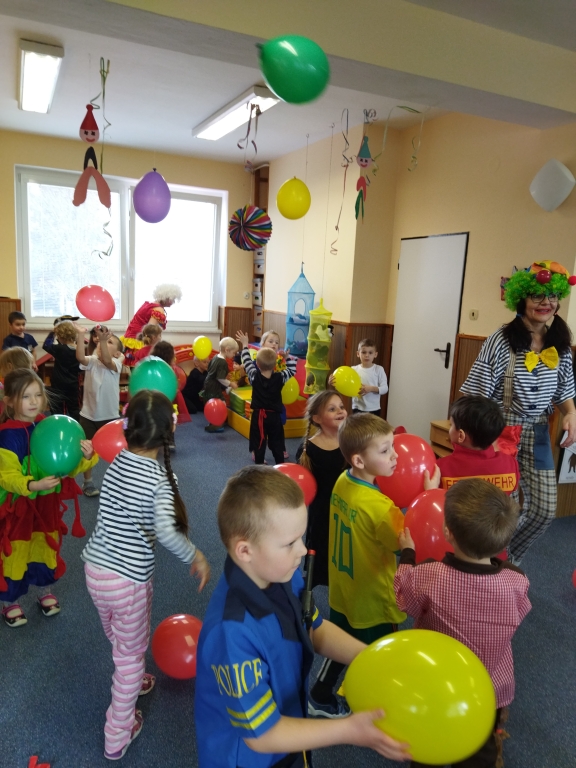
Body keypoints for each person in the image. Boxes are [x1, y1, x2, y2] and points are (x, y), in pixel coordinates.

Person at [194, 465, 410, 768]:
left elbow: (315, 628)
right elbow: (263, 735)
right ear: (245, 551)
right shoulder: (231, 633)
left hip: (292, 727)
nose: (303, 550)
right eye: (289, 543)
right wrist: (348, 730)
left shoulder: (283, 573)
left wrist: (371, 657)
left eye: (301, 538)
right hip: (252, 759)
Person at [82, 390, 210, 761]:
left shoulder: (117, 460)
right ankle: (117, 733)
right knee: (129, 656)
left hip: (95, 571)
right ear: (170, 432)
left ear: (127, 427)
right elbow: (168, 532)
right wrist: (196, 555)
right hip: (128, 581)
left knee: (120, 639)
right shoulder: (160, 480)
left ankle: (134, 676)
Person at [394, 479, 532, 768]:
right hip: (488, 688)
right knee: (479, 748)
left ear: (448, 533)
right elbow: (518, 616)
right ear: (503, 541)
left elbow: (404, 598)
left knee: (428, 745)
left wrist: (407, 554)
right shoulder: (517, 582)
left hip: (436, 686)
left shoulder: (427, 576)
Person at [461, 260, 576, 564]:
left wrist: (570, 413)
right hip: (500, 430)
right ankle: (495, 564)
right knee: (504, 508)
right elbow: (476, 394)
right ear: (521, 299)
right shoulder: (501, 340)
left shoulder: (560, 343)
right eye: (537, 295)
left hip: (538, 431)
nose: (546, 302)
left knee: (545, 510)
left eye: (552, 296)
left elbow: (564, 391)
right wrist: (482, 437)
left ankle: (508, 559)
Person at [308, 413, 406, 719]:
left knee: (343, 642)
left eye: (393, 446)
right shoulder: (381, 508)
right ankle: (369, 701)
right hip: (373, 597)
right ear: (359, 460)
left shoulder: (343, 479)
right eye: (385, 450)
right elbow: (403, 544)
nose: (396, 455)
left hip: (344, 588)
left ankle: (320, 693)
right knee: (380, 650)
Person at [0, 369, 97, 626]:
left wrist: (86, 457)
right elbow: (6, 476)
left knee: (45, 546)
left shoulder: (50, 425)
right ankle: (10, 601)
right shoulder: (7, 435)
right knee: (16, 550)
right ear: (10, 401)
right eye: (26, 396)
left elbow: (65, 466)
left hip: (46, 504)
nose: (34, 401)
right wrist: (33, 484)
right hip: (19, 507)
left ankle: (44, 591)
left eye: (38, 395)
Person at [295, 390, 348, 589]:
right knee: (320, 555)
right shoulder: (309, 449)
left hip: (347, 508)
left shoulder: (350, 442)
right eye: (332, 409)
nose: (340, 411)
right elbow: (301, 487)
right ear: (317, 418)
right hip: (322, 513)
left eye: (341, 407)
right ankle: (307, 593)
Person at [75, 324, 124, 497]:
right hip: (88, 415)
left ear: (117, 353)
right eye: (103, 341)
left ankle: (119, 482)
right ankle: (88, 481)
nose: (103, 343)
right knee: (87, 451)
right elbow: (80, 357)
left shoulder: (117, 362)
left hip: (109, 418)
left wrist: (102, 341)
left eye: (109, 342)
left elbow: (108, 361)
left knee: (116, 453)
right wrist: (80, 335)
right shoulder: (92, 361)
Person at [435, 395, 520, 494]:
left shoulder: (440, 468)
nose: (449, 429)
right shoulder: (511, 464)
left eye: (451, 425)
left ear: (461, 435)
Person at [237, 332, 296, 465]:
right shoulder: (280, 377)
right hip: (275, 417)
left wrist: (245, 344)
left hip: (259, 416)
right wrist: (287, 358)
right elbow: (292, 370)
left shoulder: (253, 375)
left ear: (257, 363)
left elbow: (246, 360)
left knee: (258, 441)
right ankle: (280, 464)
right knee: (277, 441)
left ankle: (259, 465)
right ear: (275, 364)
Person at [121, 284, 182, 358]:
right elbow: (150, 331)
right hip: (140, 341)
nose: (173, 302)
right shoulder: (158, 310)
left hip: (130, 339)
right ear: (166, 298)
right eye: (173, 299)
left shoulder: (148, 305)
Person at [43, 319, 81, 420]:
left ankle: (58, 424)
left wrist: (52, 333)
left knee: (57, 408)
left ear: (60, 336)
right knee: (74, 408)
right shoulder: (79, 350)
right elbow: (81, 368)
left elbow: (46, 345)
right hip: (73, 384)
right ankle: (76, 425)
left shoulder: (60, 349)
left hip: (58, 384)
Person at [261, 330, 290, 460]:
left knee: (278, 426)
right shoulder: (259, 359)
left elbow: (286, 374)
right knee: (262, 430)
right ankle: (258, 452)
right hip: (262, 402)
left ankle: (280, 447)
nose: (274, 344)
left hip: (276, 400)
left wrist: (285, 359)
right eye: (271, 341)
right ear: (263, 344)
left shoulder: (279, 360)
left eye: (277, 342)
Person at [201, 337, 239, 434]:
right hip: (213, 386)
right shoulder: (222, 362)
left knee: (211, 402)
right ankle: (217, 425)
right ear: (227, 350)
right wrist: (231, 383)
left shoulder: (215, 357)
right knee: (221, 402)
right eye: (233, 353)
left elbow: (210, 370)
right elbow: (220, 378)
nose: (234, 355)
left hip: (208, 383)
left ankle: (214, 422)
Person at [351, 338, 388, 417]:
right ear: (358, 354)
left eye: (370, 352)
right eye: (364, 352)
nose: (367, 355)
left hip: (374, 409)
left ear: (375, 354)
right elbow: (346, 385)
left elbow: (385, 388)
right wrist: (333, 381)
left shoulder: (379, 369)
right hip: (357, 408)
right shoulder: (353, 370)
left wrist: (371, 388)